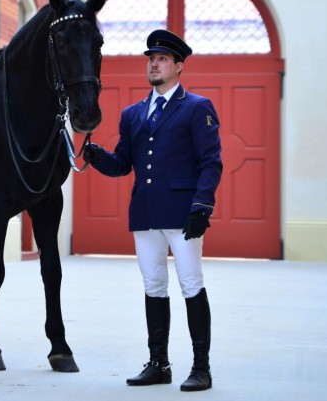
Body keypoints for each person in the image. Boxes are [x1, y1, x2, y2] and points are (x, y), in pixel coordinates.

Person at [83, 29, 222, 392]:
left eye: (161, 59)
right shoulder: (133, 114)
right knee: (154, 286)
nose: (153, 64)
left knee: (191, 285)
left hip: (183, 213)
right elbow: (123, 164)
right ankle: (159, 363)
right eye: (150, 59)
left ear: (178, 66)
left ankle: (201, 368)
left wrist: (201, 207)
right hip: (145, 213)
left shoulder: (196, 108)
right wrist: (99, 159)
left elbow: (211, 163)